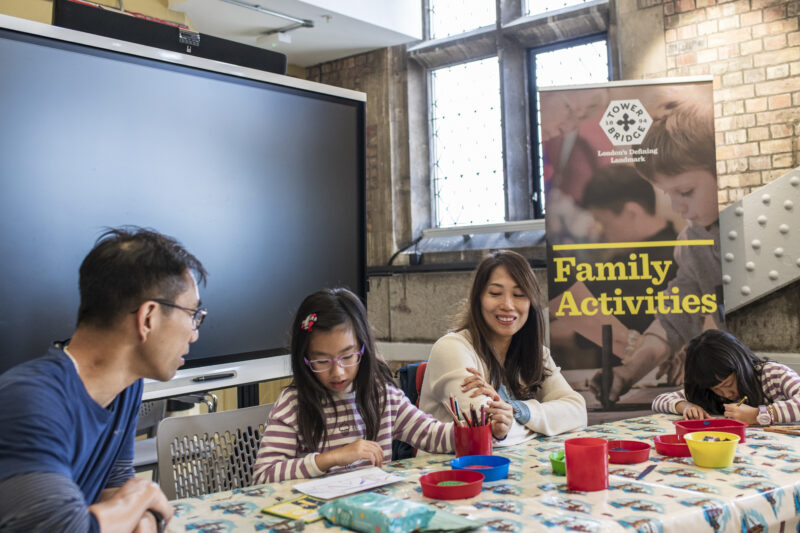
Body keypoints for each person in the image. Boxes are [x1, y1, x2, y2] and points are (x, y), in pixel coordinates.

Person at [0, 227, 208, 532]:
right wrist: (141, 498)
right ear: (148, 317)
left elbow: (116, 486)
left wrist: (140, 511)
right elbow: (61, 527)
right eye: (192, 314)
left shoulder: (126, 387)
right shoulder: (29, 399)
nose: (195, 333)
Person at [252, 288, 494, 483]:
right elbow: (263, 477)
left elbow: (431, 435)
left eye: (348, 357)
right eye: (322, 361)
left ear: (363, 349)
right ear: (303, 358)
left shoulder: (381, 395)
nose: (338, 371)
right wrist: (332, 458)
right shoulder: (294, 404)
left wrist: (486, 428)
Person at [600, 100, 723, 403]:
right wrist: (627, 373)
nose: (677, 206)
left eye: (685, 192)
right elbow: (674, 321)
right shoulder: (692, 243)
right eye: (669, 194)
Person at [418, 250, 587, 446]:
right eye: (495, 293)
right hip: (454, 472)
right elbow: (488, 435)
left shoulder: (536, 353)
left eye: (519, 294)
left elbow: (577, 412)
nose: (507, 305)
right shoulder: (452, 349)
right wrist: (547, 426)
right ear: (478, 299)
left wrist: (517, 410)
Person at [652, 330, 800, 424]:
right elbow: (659, 401)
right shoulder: (710, 394)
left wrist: (757, 415)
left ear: (740, 366)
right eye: (717, 389)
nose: (726, 394)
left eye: (729, 384)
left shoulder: (772, 374)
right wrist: (686, 406)